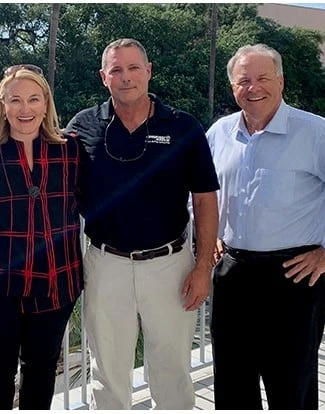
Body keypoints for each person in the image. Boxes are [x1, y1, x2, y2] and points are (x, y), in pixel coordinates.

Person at [65, 38, 220, 410]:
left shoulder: (184, 127)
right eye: (116, 69)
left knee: (172, 371)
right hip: (105, 263)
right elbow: (59, 190)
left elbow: (204, 200)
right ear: (104, 77)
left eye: (134, 68)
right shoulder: (81, 126)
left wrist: (203, 266)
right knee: (108, 373)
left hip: (170, 264)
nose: (126, 77)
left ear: (148, 72)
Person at [206, 44, 325, 410]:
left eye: (262, 78)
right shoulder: (219, 133)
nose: (253, 87)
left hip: (294, 276)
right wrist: (206, 232)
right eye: (243, 80)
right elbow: (200, 192)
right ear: (233, 87)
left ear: (281, 81)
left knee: (291, 384)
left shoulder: (316, 132)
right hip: (233, 273)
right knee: (232, 381)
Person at [0, 64, 84, 409]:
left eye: (34, 99)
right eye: (15, 100)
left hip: (55, 282)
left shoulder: (70, 150)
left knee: (42, 371)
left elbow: (95, 199)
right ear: (2, 104)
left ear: (46, 104)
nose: (25, 108)